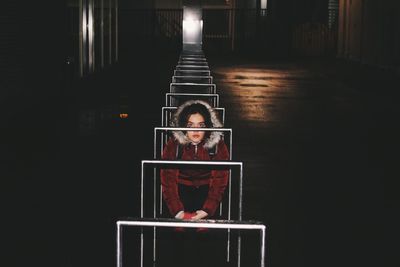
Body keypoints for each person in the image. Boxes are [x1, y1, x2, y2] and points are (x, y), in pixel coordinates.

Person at [160, 99, 230, 221]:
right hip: (180, 192)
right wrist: (177, 211)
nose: (196, 130)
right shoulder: (174, 145)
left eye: (201, 126)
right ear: (183, 126)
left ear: (207, 126)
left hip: (207, 192)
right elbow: (168, 180)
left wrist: (207, 210)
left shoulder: (217, 145)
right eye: (190, 125)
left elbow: (220, 181)